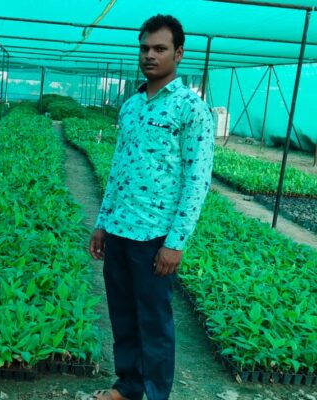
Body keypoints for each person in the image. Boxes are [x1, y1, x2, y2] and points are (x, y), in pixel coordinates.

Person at [88, 15, 214, 400]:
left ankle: (156, 393)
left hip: (154, 235)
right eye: (144, 48)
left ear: (178, 53)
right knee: (123, 317)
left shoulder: (191, 109)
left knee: (154, 323)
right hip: (121, 229)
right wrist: (102, 223)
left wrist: (175, 242)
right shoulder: (130, 107)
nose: (150, 55)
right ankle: (128, 386)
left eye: (160, 49)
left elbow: (197, 181)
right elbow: (118, 170)